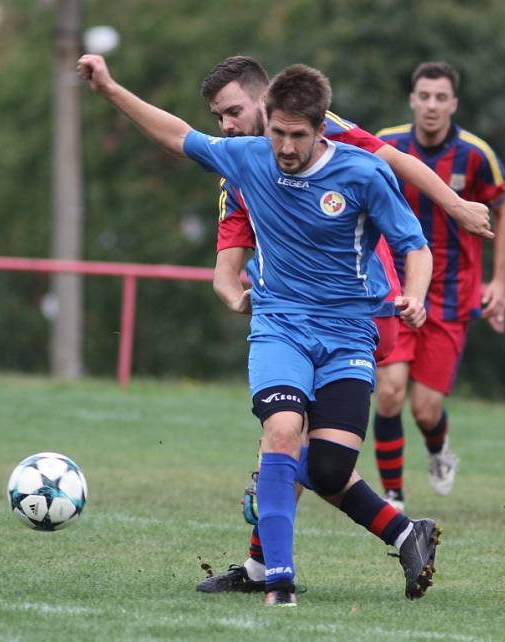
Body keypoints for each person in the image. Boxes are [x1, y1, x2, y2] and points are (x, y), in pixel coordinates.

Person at [77, 55, 439, 606]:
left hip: (350, 331)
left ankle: (401, 530)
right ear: (265, 121)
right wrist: (109, 90)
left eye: (297, 136)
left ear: (323, 129)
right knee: (282, 430)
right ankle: (277, 581)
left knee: (327, 467)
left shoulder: (362, 174)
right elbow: (177, 135)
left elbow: (414, 245)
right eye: (277, 134)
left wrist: (415, 293)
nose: (286, 148)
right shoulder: (248, 160)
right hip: (280, 327)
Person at [372, 62, 505, 509]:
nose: (431, 105)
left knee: (425, 409)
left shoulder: (476, 155)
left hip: (451, 296)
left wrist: (501, 281)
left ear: (453, 104)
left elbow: (503, 212)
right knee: (391, 392)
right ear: (412, 99)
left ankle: (438, 450)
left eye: (441, 98)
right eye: (424, 96)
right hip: (397, 288)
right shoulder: (386, 145)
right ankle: (393, 496)